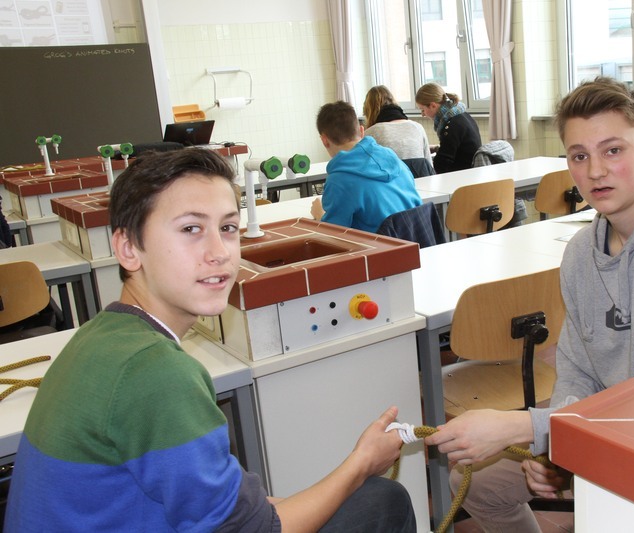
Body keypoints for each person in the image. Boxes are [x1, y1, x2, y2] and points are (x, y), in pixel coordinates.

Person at [4, 148, 416, 533]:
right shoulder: (155, 372)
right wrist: (361, 464)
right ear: (128, 248)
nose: (219, 252)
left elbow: (224, 509)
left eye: (228, 228)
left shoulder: (102, 334)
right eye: (191, 229)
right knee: (382, 502)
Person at [424, 77, 634, 532]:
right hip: (608, 429)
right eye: (579, 156)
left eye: (613, 150)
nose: (596, 171)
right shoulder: (581, 252)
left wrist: (531, 428)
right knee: (478, 485)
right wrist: (558, 448)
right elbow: (577, 368)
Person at [311, 100, 422, 233]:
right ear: (362, 130)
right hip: (418, 238)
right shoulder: (394, 159)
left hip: (381, 244)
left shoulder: (339, 180)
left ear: (324, 140)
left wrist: (319, 215)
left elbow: (333, 233)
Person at [363, 85, 434, 178]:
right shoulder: (418, 127)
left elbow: (366, 171)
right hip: (421, 184)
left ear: (369, 110)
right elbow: (429, 166)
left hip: (391, 186)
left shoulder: (370, 134)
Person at [415, 82, 481, 174]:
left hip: (463, 175)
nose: (423, 114)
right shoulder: (462, 115)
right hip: (471, 171)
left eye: (423, 110)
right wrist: (436, 148)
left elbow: (442, 164)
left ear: (433, 105)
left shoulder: (450, 125)